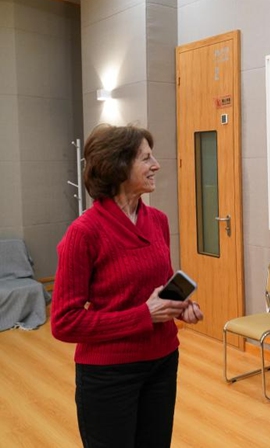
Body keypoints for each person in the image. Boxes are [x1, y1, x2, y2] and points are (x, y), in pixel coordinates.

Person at [51, 124, 204, 448]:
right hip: (109, 375)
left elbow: (157, 290)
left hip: (163, 362)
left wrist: (178, 307)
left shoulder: (158, 220)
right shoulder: (84, 233)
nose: (156, 165)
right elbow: (64, 322)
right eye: (146, 158)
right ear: (118, 166)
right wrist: (143, 316)